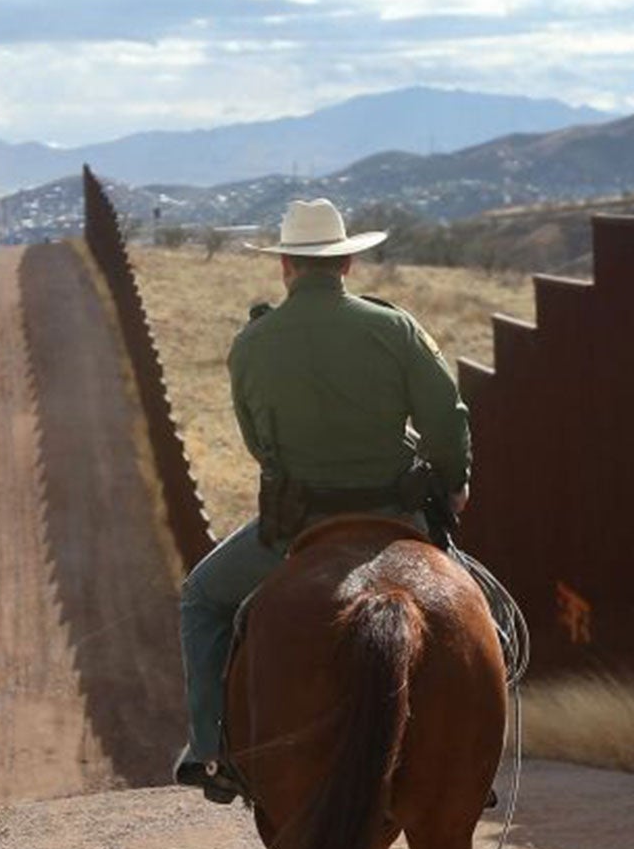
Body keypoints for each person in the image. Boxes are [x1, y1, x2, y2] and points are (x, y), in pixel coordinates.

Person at [176, 197, 473, 803]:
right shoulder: (395, 328)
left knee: (203, 600)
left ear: (285, 264)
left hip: (294, 527)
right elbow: (446, 420)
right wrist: (454, 479)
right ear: (347, 264)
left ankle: (210, 749)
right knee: (480, 615)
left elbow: (259, 444)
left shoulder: (253, 343)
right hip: (398, 518)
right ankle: (476, 754)